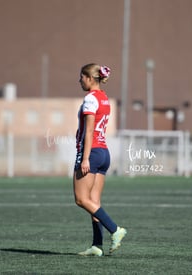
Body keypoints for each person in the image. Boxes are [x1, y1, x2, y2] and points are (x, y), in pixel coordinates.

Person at [73, 63, 127, 256]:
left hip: (92, 152)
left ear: (89, 78)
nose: (79, 80)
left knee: (81, 199)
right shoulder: (104, 98)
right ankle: (97, 245)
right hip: (104, 152)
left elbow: (88, 130)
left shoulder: (90, 99)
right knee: (94, 201)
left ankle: (115, 229)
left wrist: (85, 157)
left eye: (81, 77)